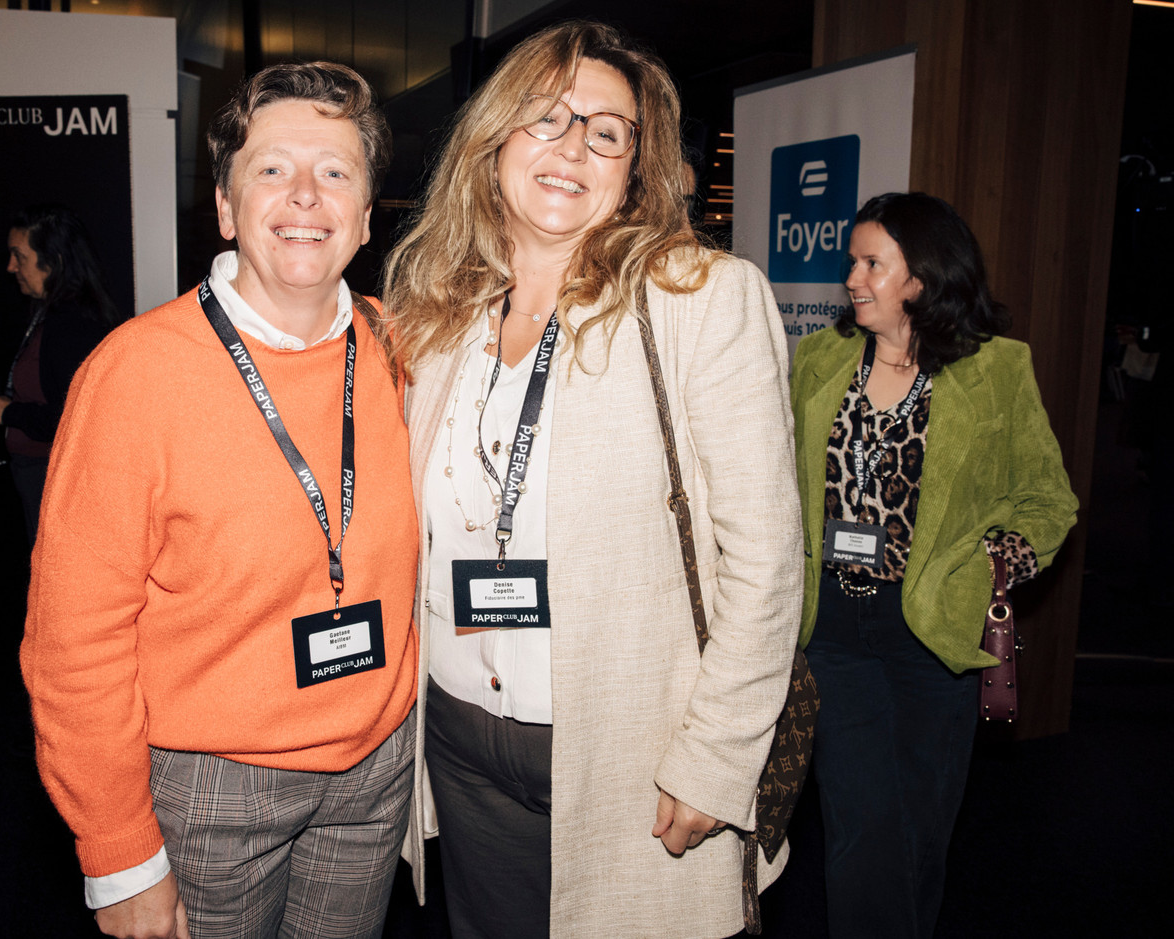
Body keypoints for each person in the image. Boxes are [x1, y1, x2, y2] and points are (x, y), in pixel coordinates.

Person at [382, 21, 802, 938]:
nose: (573, 145)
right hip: (458, 740)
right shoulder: (437, 317)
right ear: (494, 144)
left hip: (633, 751)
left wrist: (717, 759)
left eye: (606, 130)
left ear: (635, 165)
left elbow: (766, 559)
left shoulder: (702, 299)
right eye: (546, 118)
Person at [20, 62, 417, 939]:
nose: (306, 196)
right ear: (229, 208)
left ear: (365, 212)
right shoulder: (134, 373)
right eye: (272, 168)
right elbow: (73, 639)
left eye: (336, 172)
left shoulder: (403, 349)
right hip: (210, 785)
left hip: (377, 765)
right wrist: (119, 850)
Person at [790, 191, 1078, 939]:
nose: (853, 276)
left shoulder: (996, 371)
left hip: (933, 631)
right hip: (834, 626)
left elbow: (1048, 502)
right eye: (852, 259)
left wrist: (985, 566)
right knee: (859, 823)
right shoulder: (820, 359)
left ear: (920, 276)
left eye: (871, 262)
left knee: (920, 828)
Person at [0, 204, 125, 547]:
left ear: (52, 261)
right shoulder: (52, 313)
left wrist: (8, 412)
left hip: (54, 477)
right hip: (40, 472)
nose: (11, 267)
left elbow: (78, 417)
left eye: (19, 256)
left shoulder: (73, 325)